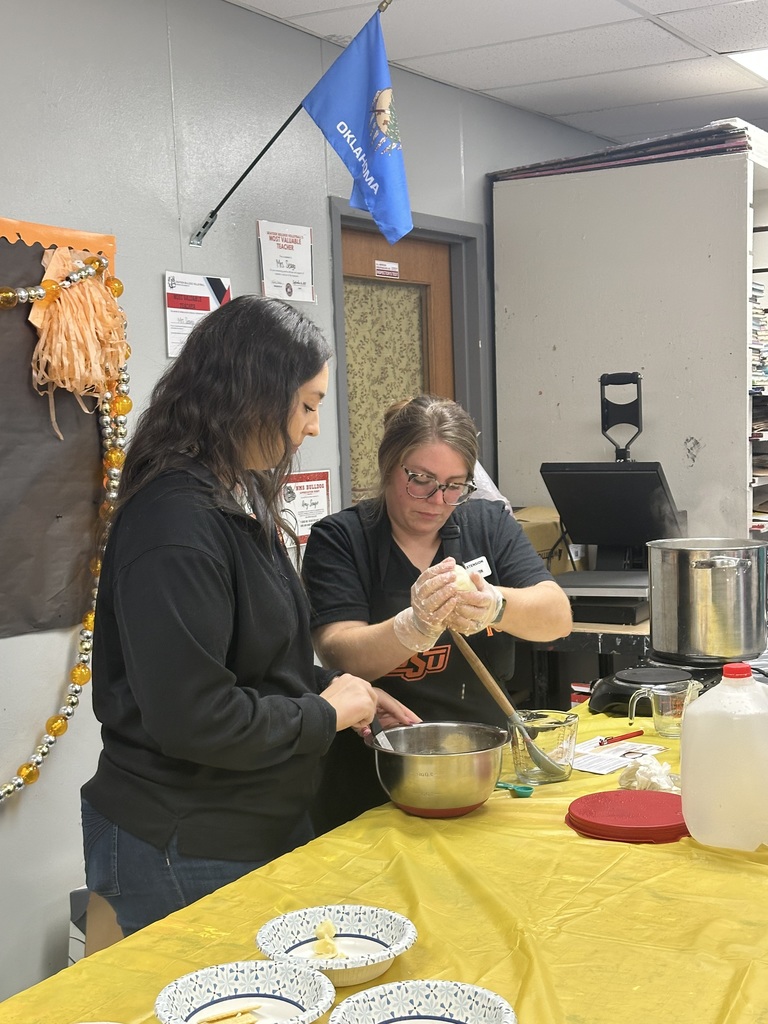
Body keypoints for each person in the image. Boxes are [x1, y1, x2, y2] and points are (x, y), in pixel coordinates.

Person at [81, 296, 413, 936]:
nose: (313, 427)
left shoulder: (226, 496)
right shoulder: (175, 525)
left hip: (251, 822)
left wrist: (342, 692)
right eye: (309, 404)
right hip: (187, 836)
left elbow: (252, 663)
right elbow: (196, 719)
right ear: (254, 396)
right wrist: (323, 713)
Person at [302, 395, 573, 832]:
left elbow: (557, 616)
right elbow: (339, 653)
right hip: (378, 773)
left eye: (453, 485)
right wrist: (413, 626)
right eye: (420, 480)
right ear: (389, 465)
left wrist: (495, 605)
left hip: (483, 767)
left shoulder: (487, 523)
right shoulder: (342, 538)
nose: (436, 499)